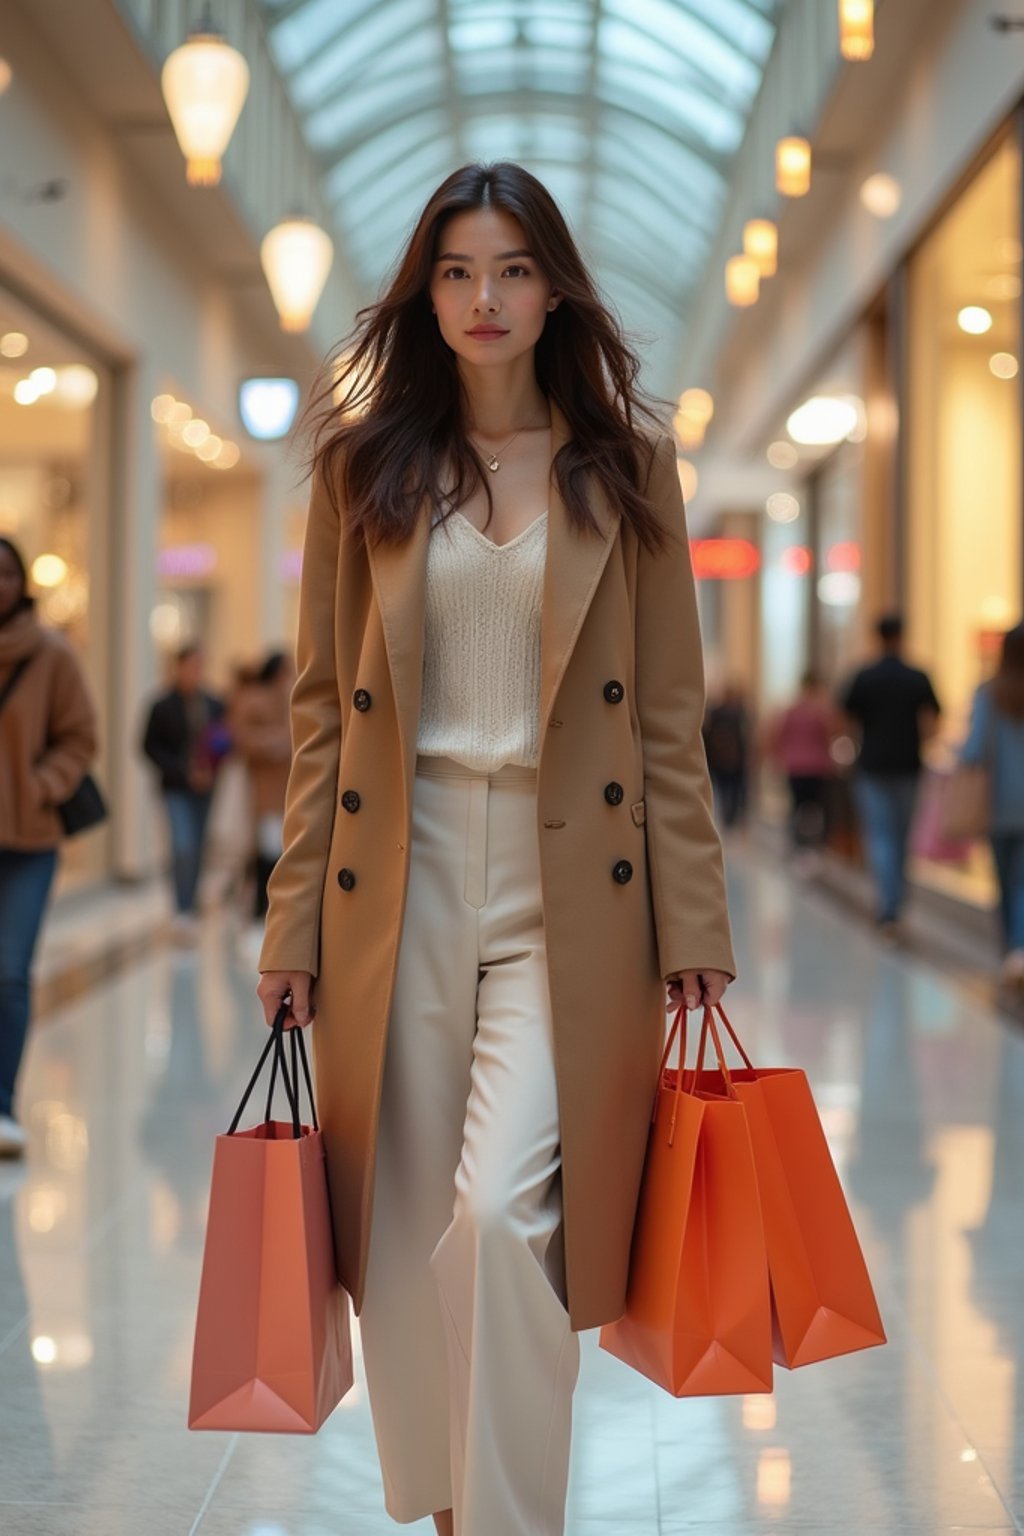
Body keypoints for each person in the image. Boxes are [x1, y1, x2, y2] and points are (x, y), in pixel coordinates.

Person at [255, 162, 736, 1536]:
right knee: (403, 1229)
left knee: (508, 1216)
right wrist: (291, 930)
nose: (484, 297)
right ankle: (450, 1508)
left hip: (568, 884)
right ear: (427, 293)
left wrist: (695, 929)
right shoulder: (364, 474)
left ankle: (512, 1520)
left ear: (554, 288)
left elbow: (668, 723)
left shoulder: (630, 474)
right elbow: (315, 726)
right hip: (392, 880)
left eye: (513, 269)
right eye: (458, 271)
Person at [0, 536, 97, 1156]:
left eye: (6, 573)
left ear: (23, 582)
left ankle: (2, 1105)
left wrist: (39, 785)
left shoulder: (52, 655)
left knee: (9, 973)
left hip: (29, 841)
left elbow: (80, 737)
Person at [841, 614, 941, 933]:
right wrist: (921, 742)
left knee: (881, 835)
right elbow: (934, 717)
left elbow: (845, 717)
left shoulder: (864, 676)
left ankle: (888, 907)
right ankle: (895, 904)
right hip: (908, 766)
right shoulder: (917, 676)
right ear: (902, 635)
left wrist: (857, 743)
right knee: (901, 837)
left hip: (872, 766)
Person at [142, 644, 227, 940]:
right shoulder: (162, 705)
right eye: (190, 665)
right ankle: (181, 908)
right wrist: (182, 771)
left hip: (205, 788)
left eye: (200, 665)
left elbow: (225, 741)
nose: (195, 672)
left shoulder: (214, 703)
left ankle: (191, 903)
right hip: (176, 788)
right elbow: (148, 746)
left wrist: (210, 769)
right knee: (182, 846)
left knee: (199, 846)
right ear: (177, 667)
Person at [960, 623, 1024, 987]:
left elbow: (973, 751)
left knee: (1004, 882)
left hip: (999, 806)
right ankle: (1020, 949)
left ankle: (1011, 953)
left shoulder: (989, 694)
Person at [231, 649, 295, 919]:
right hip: (264, 787)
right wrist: (272, 742)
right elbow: (240, 738)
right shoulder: (253, 700)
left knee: (284, 848)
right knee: (266, 848)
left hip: (291, 787)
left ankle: (279, 909)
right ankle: (260, 908)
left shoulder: (293, 698)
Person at [769, 672, 841, 858]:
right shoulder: (821, 712)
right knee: (816, 807)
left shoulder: (790, 711)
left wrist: (780, 759)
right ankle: (813, 845)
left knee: (797, 806)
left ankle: (796, 844)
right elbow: (829, 736)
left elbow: (778, 737)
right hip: (816, 767)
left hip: (794, 766)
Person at [702, 680, 750, 828]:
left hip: (720, 758)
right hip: (733, 758)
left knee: (724, 788)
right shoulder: (738, 713)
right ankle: (731, 817)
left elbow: (707, 735)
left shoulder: (717, 712)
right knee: (733, 788)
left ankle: (728, 816)